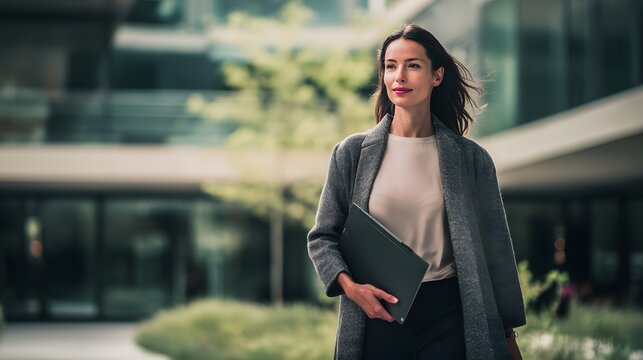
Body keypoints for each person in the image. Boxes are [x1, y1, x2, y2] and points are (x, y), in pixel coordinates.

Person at [307, 24, 526, 360]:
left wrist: (507, 333)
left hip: (451, 313)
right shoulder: (351, 153)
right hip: (376, 313)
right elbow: (322, 237)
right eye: (390, 66)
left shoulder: (471, 159)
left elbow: (497, 251)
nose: (400, 76)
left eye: (413, 65)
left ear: (436, 76)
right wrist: (352, 289)